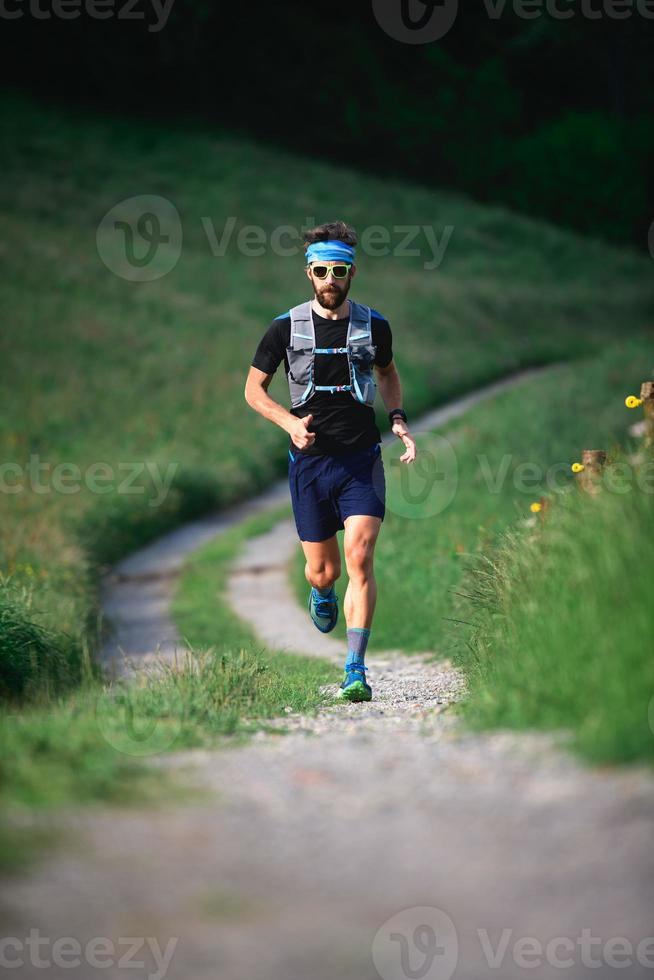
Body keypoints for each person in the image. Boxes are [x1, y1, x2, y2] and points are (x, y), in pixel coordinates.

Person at [244, 220, 416, 702]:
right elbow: (252, 391)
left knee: (360, 556)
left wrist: (397, 416)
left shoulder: (374, 325)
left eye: (339, 270)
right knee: (325, 572)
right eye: (321, 270)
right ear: (309, 273)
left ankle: (355, 669)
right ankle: (320, 591)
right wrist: (290, 424)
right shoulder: (284, 327)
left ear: (352, 272)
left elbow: (388, 373)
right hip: (310, 464)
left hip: (361, 459)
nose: (330, 279)